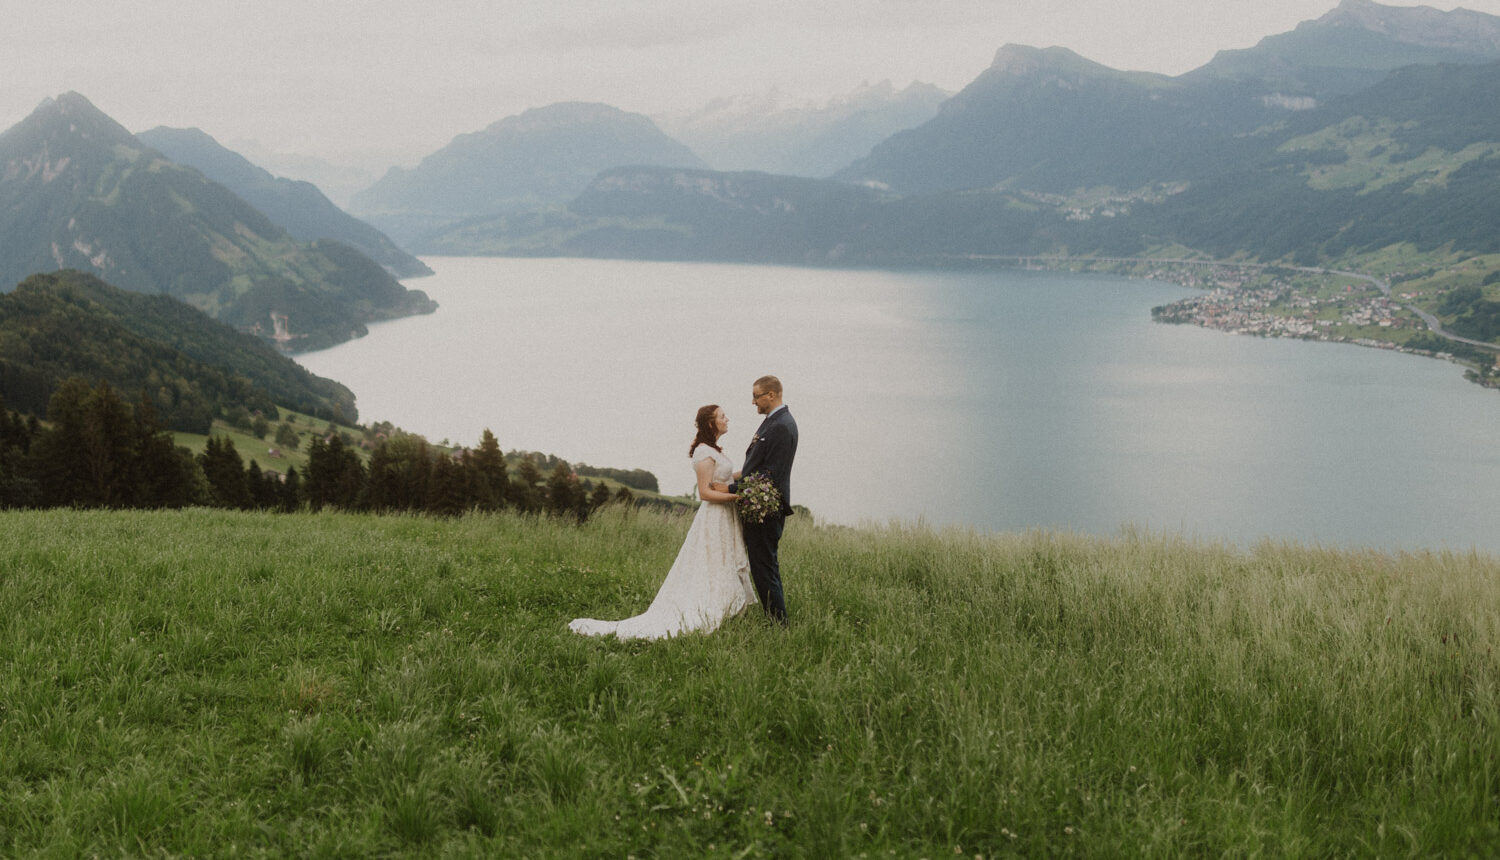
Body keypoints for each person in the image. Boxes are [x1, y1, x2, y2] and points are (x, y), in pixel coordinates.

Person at [569, 405, 758, 640]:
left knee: (724, 562)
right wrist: (738, 496)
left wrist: (753, 475)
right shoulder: (703, 452)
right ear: (711, 423)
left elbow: (726, 478)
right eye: (722, 416)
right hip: (714, 517)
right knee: (713, 563)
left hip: (725, 516)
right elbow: (705, 493)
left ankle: (729, 609)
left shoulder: (714, 450)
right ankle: (713, 608)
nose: (727, 419)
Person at [724, 376, 797, 624]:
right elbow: (758, 466)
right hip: (761, 508)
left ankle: (779, 623)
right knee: (763, 565)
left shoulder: (781, 425)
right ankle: (776, 619)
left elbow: (769, 475)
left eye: (756, 396)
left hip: (766, 511)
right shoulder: (773, 422)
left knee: (764, 567)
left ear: (771, 395)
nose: (753, 401)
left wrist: (729, 489)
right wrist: (734, 475)